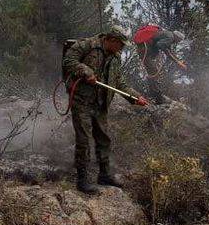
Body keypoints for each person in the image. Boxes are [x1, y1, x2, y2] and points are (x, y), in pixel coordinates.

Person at [63, 25, 148, 194]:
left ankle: (104, 175)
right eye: (121, 45)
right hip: (82, 101)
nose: (122, 49)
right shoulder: (86, 45)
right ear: (112, 40)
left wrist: (134, 97)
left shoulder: (116, 57)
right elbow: (69, 61)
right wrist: (86, 71)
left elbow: (119, 82)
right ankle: (82, 180)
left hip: (100, 104)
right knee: (84, 140)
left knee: (104, 139)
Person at [135, 26, 186, 104]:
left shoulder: (168, 35)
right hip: (144, 48)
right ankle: (156, 97)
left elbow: (168, 51)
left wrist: (177, 61)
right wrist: (178, 62)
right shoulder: (170, 37)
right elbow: (160, 45)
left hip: (143, 48)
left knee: (152, 72)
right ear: (177, 38)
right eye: (179, 40)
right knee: (154, 71)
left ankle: (152, 94)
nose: (178, 42)